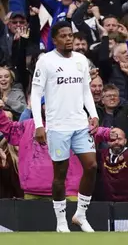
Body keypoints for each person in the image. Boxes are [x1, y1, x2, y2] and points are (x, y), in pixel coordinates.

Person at [30, 21, 100, 232]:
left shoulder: (81, 60)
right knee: (60, 175)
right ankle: (61, 221)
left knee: (92, 166)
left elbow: (86, 90)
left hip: (80, 124)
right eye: (64, 36)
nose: (69, 39)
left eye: (70, 35)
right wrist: (38, 125)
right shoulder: (46, 61)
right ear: (54, 40)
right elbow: (35, 94)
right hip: (58, 127)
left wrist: (93, 114)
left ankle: (80, 214)